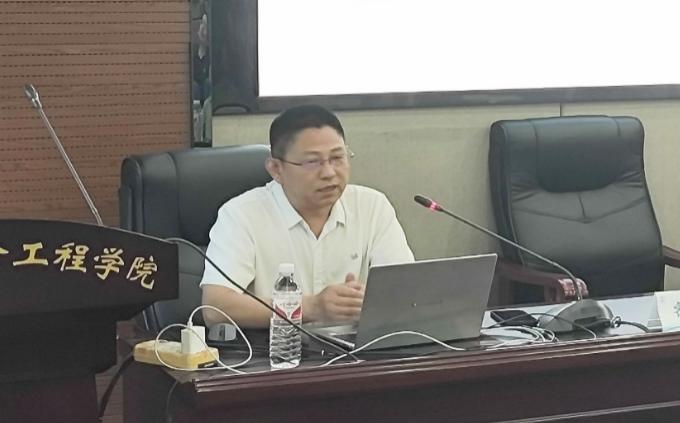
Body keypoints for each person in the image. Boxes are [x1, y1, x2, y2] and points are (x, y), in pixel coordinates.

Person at [200, 105, 414, 328]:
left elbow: (407, 293)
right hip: (276, 348)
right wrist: (310, 307)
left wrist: (368, 302)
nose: (329, 173)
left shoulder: (372, 207)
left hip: (358, 347)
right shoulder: (242, 215)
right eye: (312, 162)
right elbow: (215, 308)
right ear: (276, 169)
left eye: (337, 158)